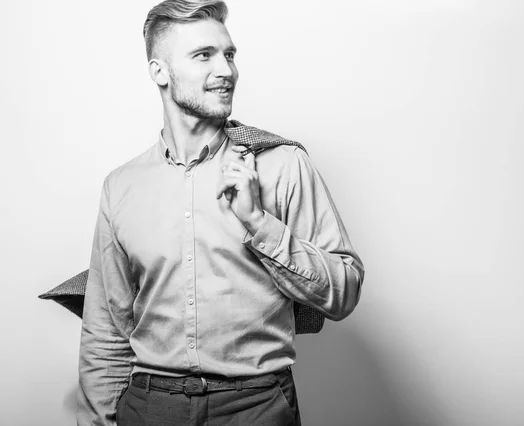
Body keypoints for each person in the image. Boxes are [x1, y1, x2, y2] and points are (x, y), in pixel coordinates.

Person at [77, 1, 365, 425]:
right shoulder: (121, 187)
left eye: (228, 54)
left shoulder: (281, 164)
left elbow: (344, 291)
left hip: (257, 405)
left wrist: (259, 223)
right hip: (151, 405)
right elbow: (106, 332)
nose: (226, 70)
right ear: (160, 72)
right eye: (203, 55)